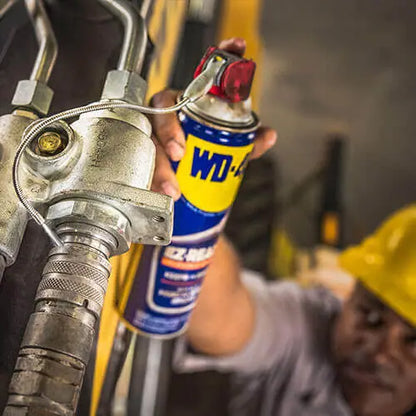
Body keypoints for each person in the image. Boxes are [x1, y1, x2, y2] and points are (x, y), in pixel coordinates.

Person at [150, 38, 416, 416]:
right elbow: (222, 315)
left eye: (414, 342)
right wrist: (186, 170)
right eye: (370, 316)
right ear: (351, 295)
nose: (381, 354)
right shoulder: (310, 328)